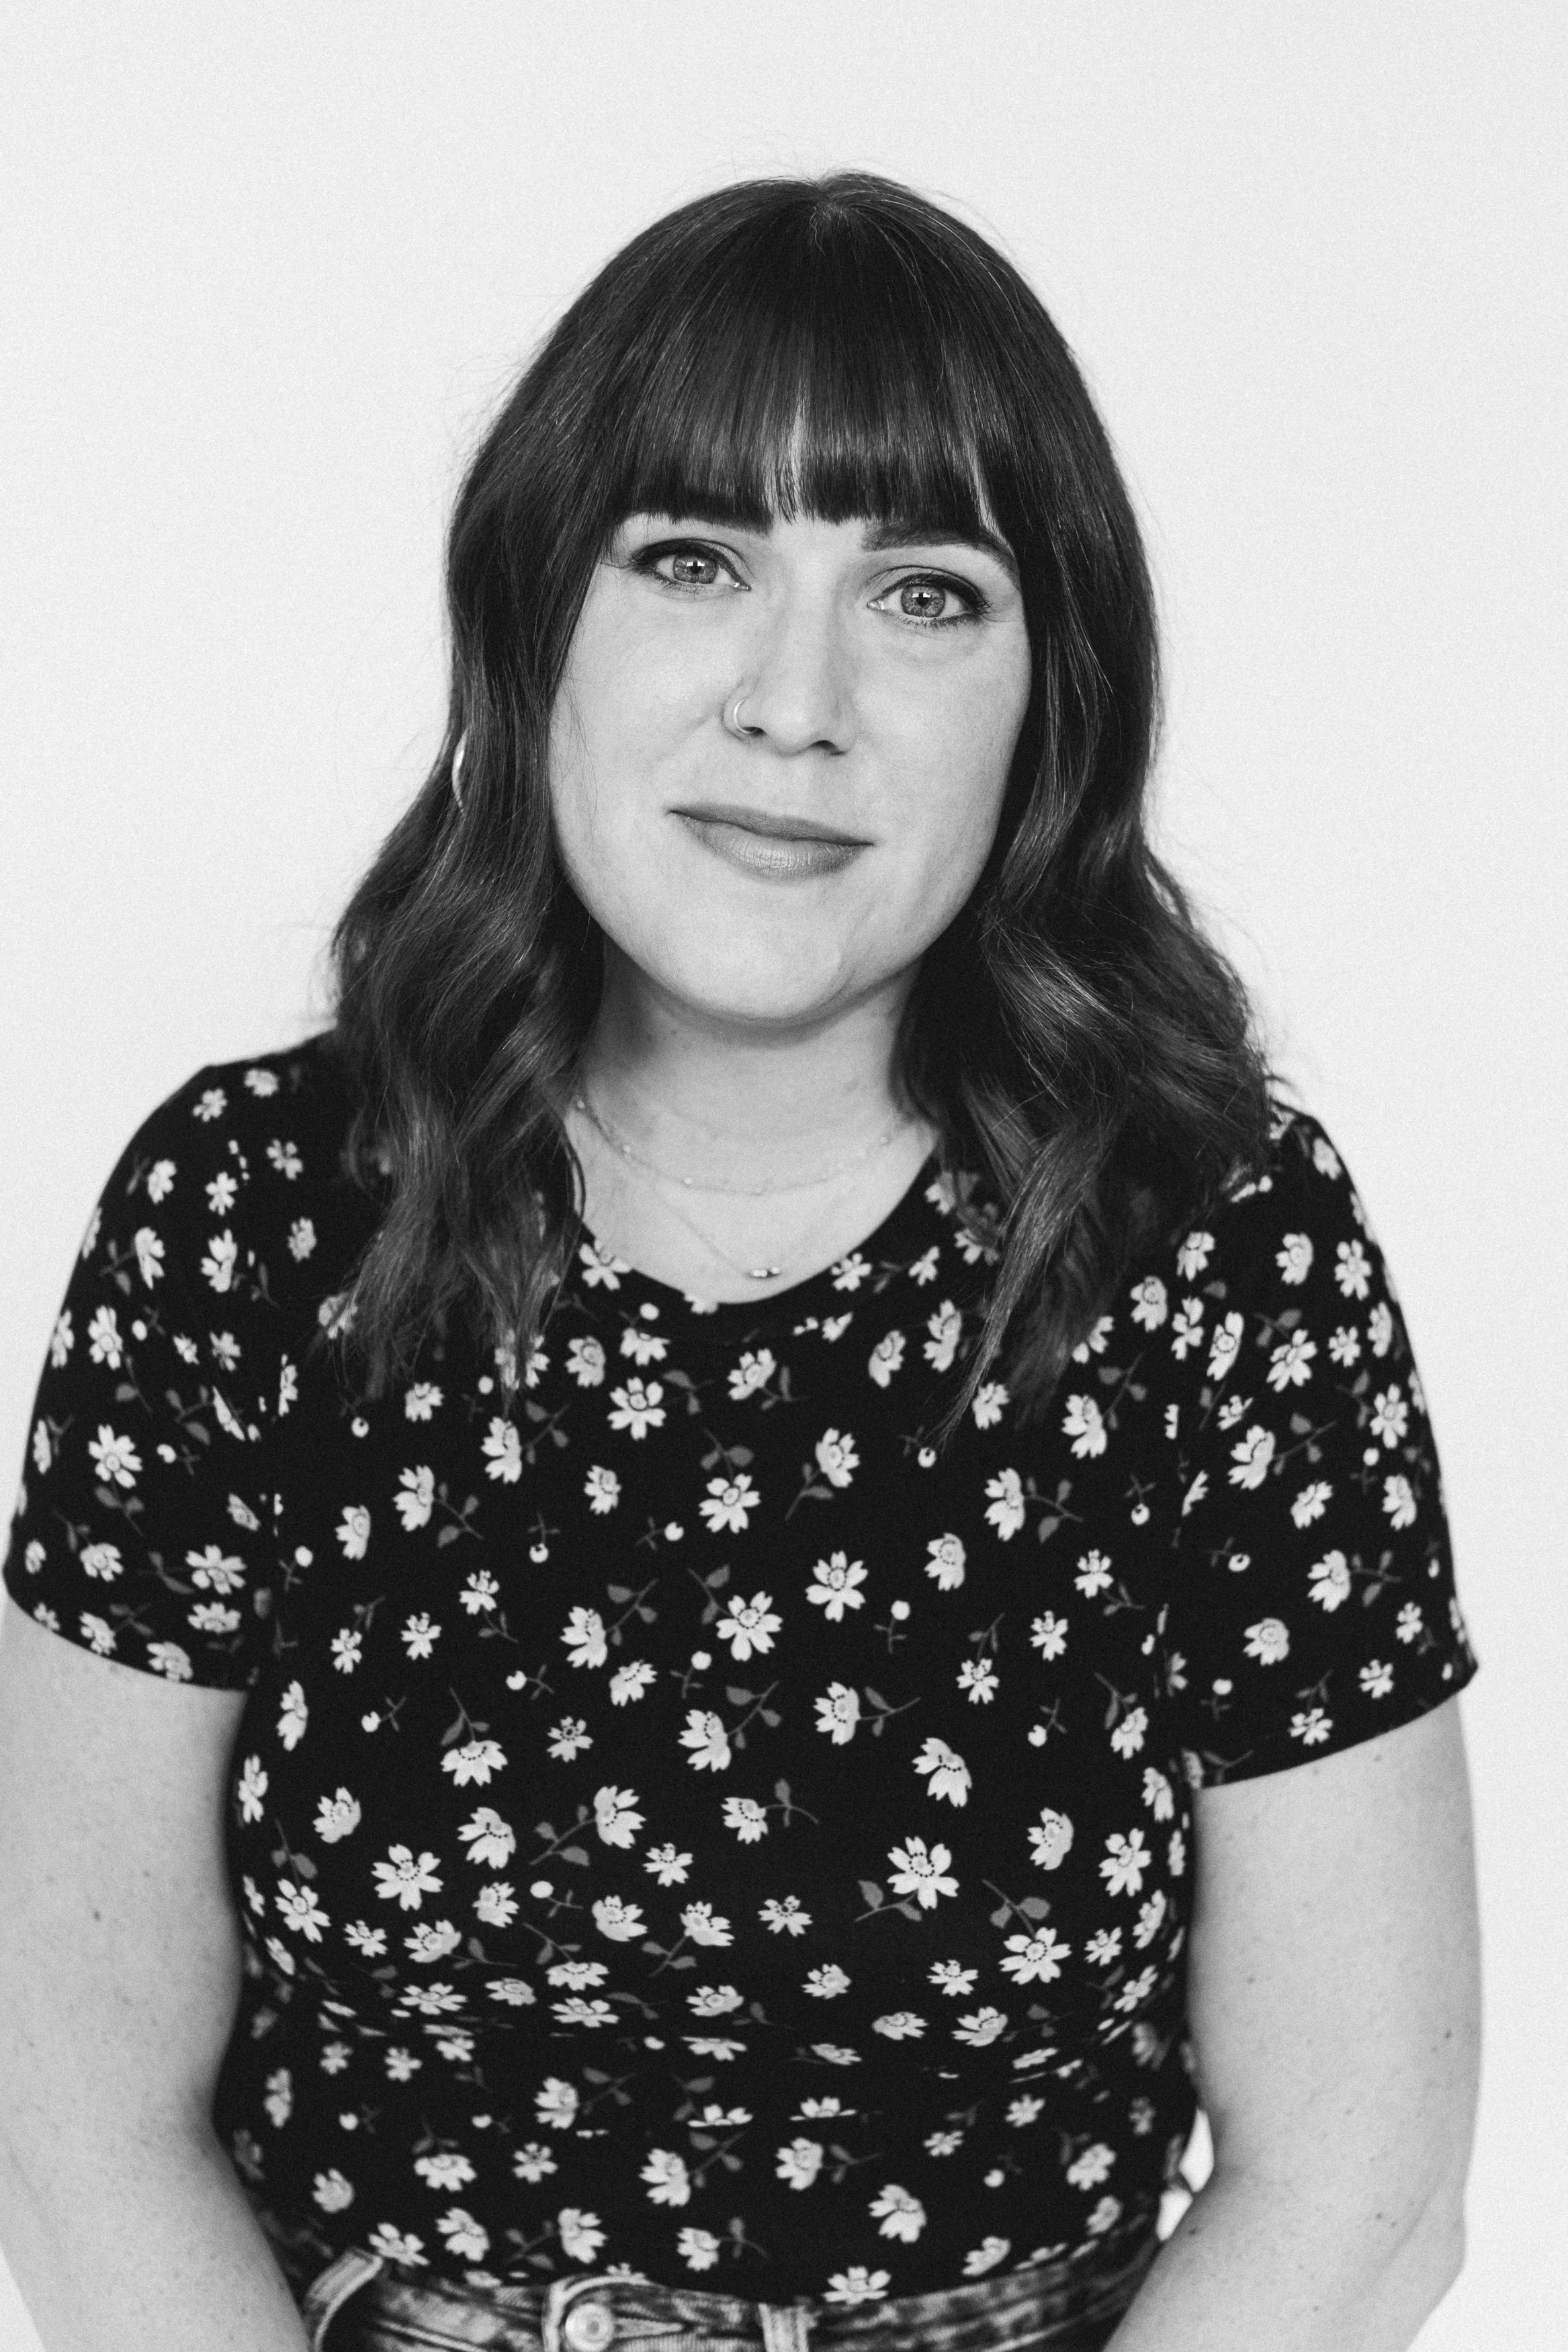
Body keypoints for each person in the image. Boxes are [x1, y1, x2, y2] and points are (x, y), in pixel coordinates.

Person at [0, 173, 1480, 2352]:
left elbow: (1362, 2184)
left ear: (1044, 703)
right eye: (692, 560)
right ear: (537, 625)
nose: (798, 701)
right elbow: (71, 2104)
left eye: (924, 593)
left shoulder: (1215, 1250)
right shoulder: (251, 1215)